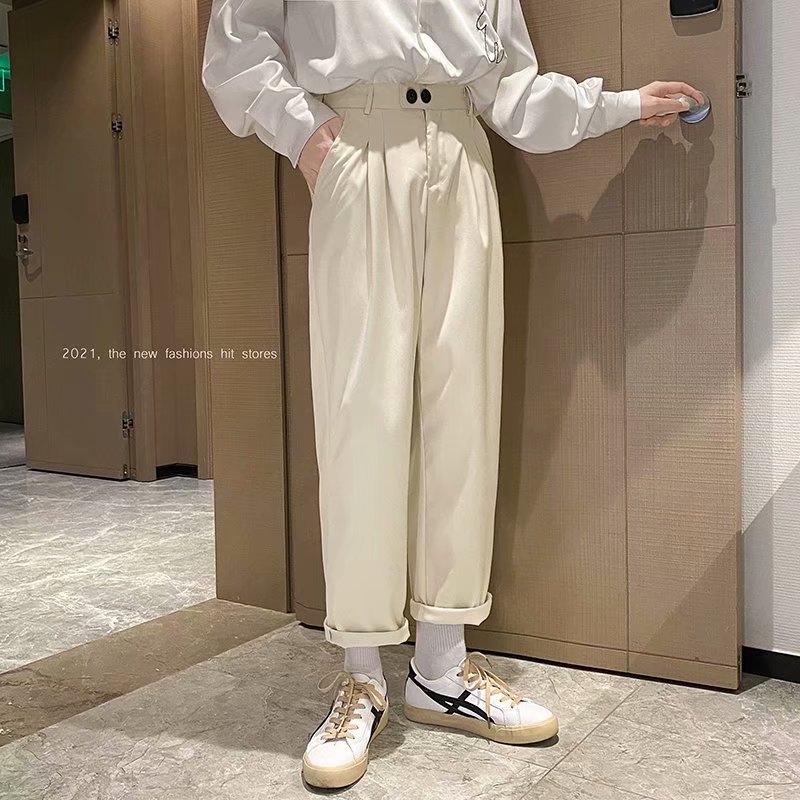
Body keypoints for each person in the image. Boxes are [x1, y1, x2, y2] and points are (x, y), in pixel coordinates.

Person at [202, 0, 702, 789]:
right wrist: (305, 135)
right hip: (356, 146)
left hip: (464, 154)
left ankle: (440, 668)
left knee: (462, 414)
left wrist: (619, 106)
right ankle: (361, 674)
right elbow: (236, 44)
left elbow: (512, 90)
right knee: (362, 416)